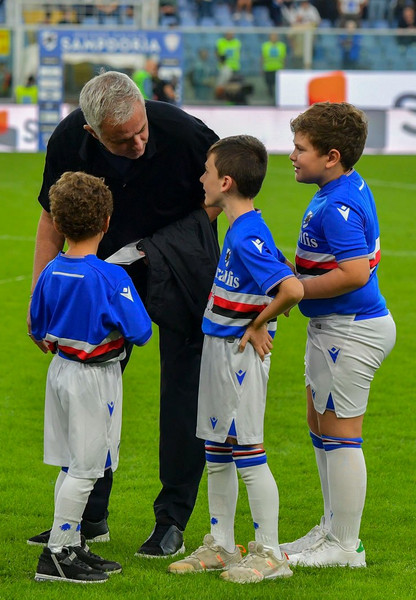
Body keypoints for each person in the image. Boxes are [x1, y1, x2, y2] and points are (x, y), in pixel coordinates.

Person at [27, 71, 219, 557]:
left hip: (181, 266)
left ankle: (172, 518)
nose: (137, 142)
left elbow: (222, 196)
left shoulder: (184, 132)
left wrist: (161, 249)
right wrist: (40, 295)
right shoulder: (70, 138)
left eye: (141, 130)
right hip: (106, 273)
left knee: (183, 391)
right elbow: (51, 216)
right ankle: (87, 519)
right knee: (94, 388)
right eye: (122, 138)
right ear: (93, 133)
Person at [167, 135, 303, 583]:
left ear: (225, 182)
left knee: (248, 451)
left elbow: (291, 288)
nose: (201, 178)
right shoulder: (240, 228)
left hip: (239, 354)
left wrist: (259, 323)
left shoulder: (246, 233)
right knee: (218, 449)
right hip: (220, 348)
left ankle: (270, 553)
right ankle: (222, 545)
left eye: (206, 171)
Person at [281, 102, 396, 567]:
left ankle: (345, 546)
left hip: (352, 330)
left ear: (331, 156)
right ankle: (331, 528)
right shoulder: (340, 187)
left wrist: (295, 290)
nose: (291, 155)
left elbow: (352, 274)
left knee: (342, 431)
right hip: (334, 326)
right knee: (319, 423)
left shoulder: (339, 205)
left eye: (299, 148)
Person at [31, 171, 153, 583]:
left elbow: (36, 326)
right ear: (106, 223)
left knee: (72, 463)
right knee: (88, 466)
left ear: (59, 225)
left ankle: (72, 540)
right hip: (95, 376)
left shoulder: (49, 272)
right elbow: (141, 331)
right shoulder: (111, 277)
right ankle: (58, 554)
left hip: (61, 370)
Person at [262, 32, 286, 100]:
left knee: (278, 85)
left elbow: (283, 57)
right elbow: (263, 57)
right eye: (273, 36)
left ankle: (277, 98)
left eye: (275, 36)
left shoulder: (281, 45)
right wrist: (262, 67)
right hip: (268, 68)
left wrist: (283, 67)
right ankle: (270, 97)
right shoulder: (265, 45)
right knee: (269, 84)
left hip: (278, 68)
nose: (274, 38)